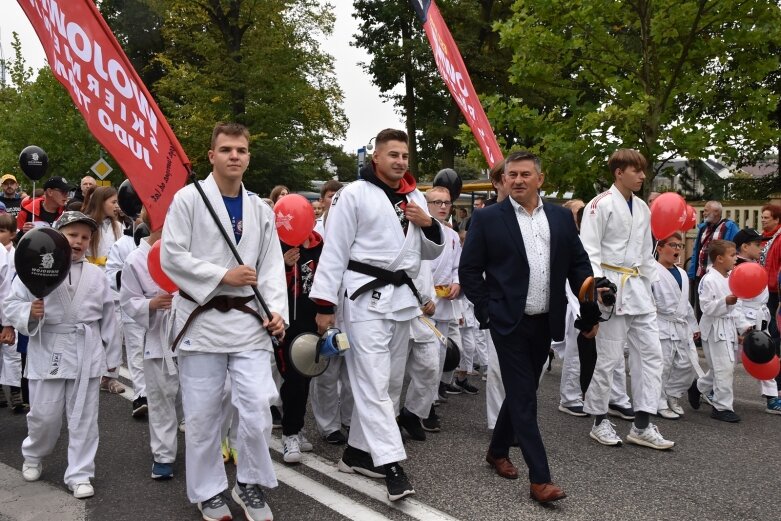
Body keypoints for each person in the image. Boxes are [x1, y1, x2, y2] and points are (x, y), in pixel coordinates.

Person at [161, 122, 288, 521]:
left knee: (257, 405)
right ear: (211, 155)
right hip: (202, 321)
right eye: (227, 149)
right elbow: (172, 256)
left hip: (248, 321)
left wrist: (276, 311)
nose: (235, 155)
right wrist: (221, 276)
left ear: (249, 157)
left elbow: (269, 266)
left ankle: (248, 482)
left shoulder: (260, 209)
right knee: (202, 414)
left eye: (242, 150)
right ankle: (209, 491)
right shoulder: (187, 200)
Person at [310, 128, 444, 502]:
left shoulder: (415, 197)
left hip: (401, 300)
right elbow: (333, 250)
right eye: (393, 155)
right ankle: (391, 464)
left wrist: (428, 223)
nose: (400, 161)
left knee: (388, 383)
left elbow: (430, 254)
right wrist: (324, 306)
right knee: (371, 381)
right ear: (376, 158)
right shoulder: (352, 195)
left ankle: (355, 453)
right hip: (363, 299)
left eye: (404, 155)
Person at [459, 150, 597, 504]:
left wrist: (590, 299)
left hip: (544, 321)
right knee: (524, 397)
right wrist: (488, 310)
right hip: (508, 322)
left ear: (540, 178)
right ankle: (541, 479)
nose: (517, 180)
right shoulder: (488, 219)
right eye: (511, 175)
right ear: (504, 180)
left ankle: (496, 451)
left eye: (524, 174)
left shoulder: (561, 219)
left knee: (523, 393)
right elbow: (469, 271)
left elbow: (578, 264)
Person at [4, 211, 121, 499]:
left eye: (85, 237)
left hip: (86, 349)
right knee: (44, 415)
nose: (79, 242)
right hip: (49, 347)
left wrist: (112, 362)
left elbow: (109, 318)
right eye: (72, 235)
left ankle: (80, 473)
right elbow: (10, 304)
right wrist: (28, 312)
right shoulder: (36, 269)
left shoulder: (96, 275)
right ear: (57, 237)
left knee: (84, 418)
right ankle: (33, 454)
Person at [580, 149, 674, 450]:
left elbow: (647, 252)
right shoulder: (599, 205)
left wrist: (652, 282)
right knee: (608, 358)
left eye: (643, 170)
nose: (643, 176)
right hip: (611, 287)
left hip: (638, 288)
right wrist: (598, 284)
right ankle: (598, 419)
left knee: (651, 355)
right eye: (637, 170)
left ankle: (643, 423)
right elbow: (589, 249)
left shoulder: (644, 208)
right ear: (619, 172)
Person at [119, 210, 179, 480]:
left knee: (195, 399)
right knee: (161, 399)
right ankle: (163, 455)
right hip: (157, 337)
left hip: (191, 334)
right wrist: (150, 304)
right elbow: (128, 300)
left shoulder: (185, 254)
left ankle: (208, 450)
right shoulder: (135, 259)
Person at [278, 227, 328, 464]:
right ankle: (289, 433)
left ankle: (296, 426)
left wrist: (327, 311)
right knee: (293, 377)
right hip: (287, 320)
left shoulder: (322, 245)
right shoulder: (279, 244)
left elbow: (330, 278)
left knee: (306, 375)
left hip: (313, 318)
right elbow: (265, 278)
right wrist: (284, 264)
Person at [309, 178, 352, 445]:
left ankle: (348, 418)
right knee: (327, 369)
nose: (335, 201)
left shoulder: (353, 228)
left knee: (352, 373)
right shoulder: (313, 234)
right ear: (323, 200)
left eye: (340, 197)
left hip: (353, 308)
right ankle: (328, 424)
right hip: (325, 308)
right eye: (330, 196)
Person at [694, 240, 752, 422]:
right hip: (714, 329)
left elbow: (737, 306)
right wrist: (724, 302)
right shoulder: (708, 279)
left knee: (723, 366)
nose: (736, 258)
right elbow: (705, 307)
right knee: (723, 368)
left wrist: (744, 327)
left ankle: (698, 387)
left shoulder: (731, 278)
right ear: (719, 258)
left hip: (728, 328)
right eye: (732, 255)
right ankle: (722, 406)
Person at [651, 232, 702, 420]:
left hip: (681, 326)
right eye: (673, 245)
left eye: (680, 246)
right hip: (661, 325)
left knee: (688, 364)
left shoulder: (681, 272)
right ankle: (659, 401)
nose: (677, 249)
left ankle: (673, 394)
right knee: (662, 366)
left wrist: (693, 326)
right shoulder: (652, 272)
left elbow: (685, 303)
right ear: (660, 248)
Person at [732, 228, 781, 414]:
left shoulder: (754, 265)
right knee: (728, 364)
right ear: (744, 247)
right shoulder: (736, 269)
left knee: (767, 357)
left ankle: (772, 398)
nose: (761, 248)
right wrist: (743, 327)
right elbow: (735, 302)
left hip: (760, 322)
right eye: (757, 244)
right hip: (745, 324)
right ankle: (703, 387)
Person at [83, 186, 125, 395]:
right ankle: (88, 371)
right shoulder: (87, 226)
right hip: (91, 281)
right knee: (91, 331)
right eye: (113, 202)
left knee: (115, 331)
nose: (117, 206)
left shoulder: (119, 226)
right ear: (101, 203)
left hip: (113, 285)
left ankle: (110, 375)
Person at [687, 201, 739, 315]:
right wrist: (692, 272)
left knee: (717, 307)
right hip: (700, 275)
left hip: (718, 277)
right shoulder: (703, 228)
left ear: (716, 212)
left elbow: (735, 250)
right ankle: (701, 331)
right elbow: (697, 250)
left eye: (706, 210)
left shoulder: (729, 227)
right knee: (701, 308)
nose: (704, 213)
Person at [0, 213, 22, 412]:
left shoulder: (17, 255)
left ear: (13, 234)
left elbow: (10, 288)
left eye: (2, 231)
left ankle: (16, 391)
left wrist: (9, 319)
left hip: (11, 310)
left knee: (13, 352)